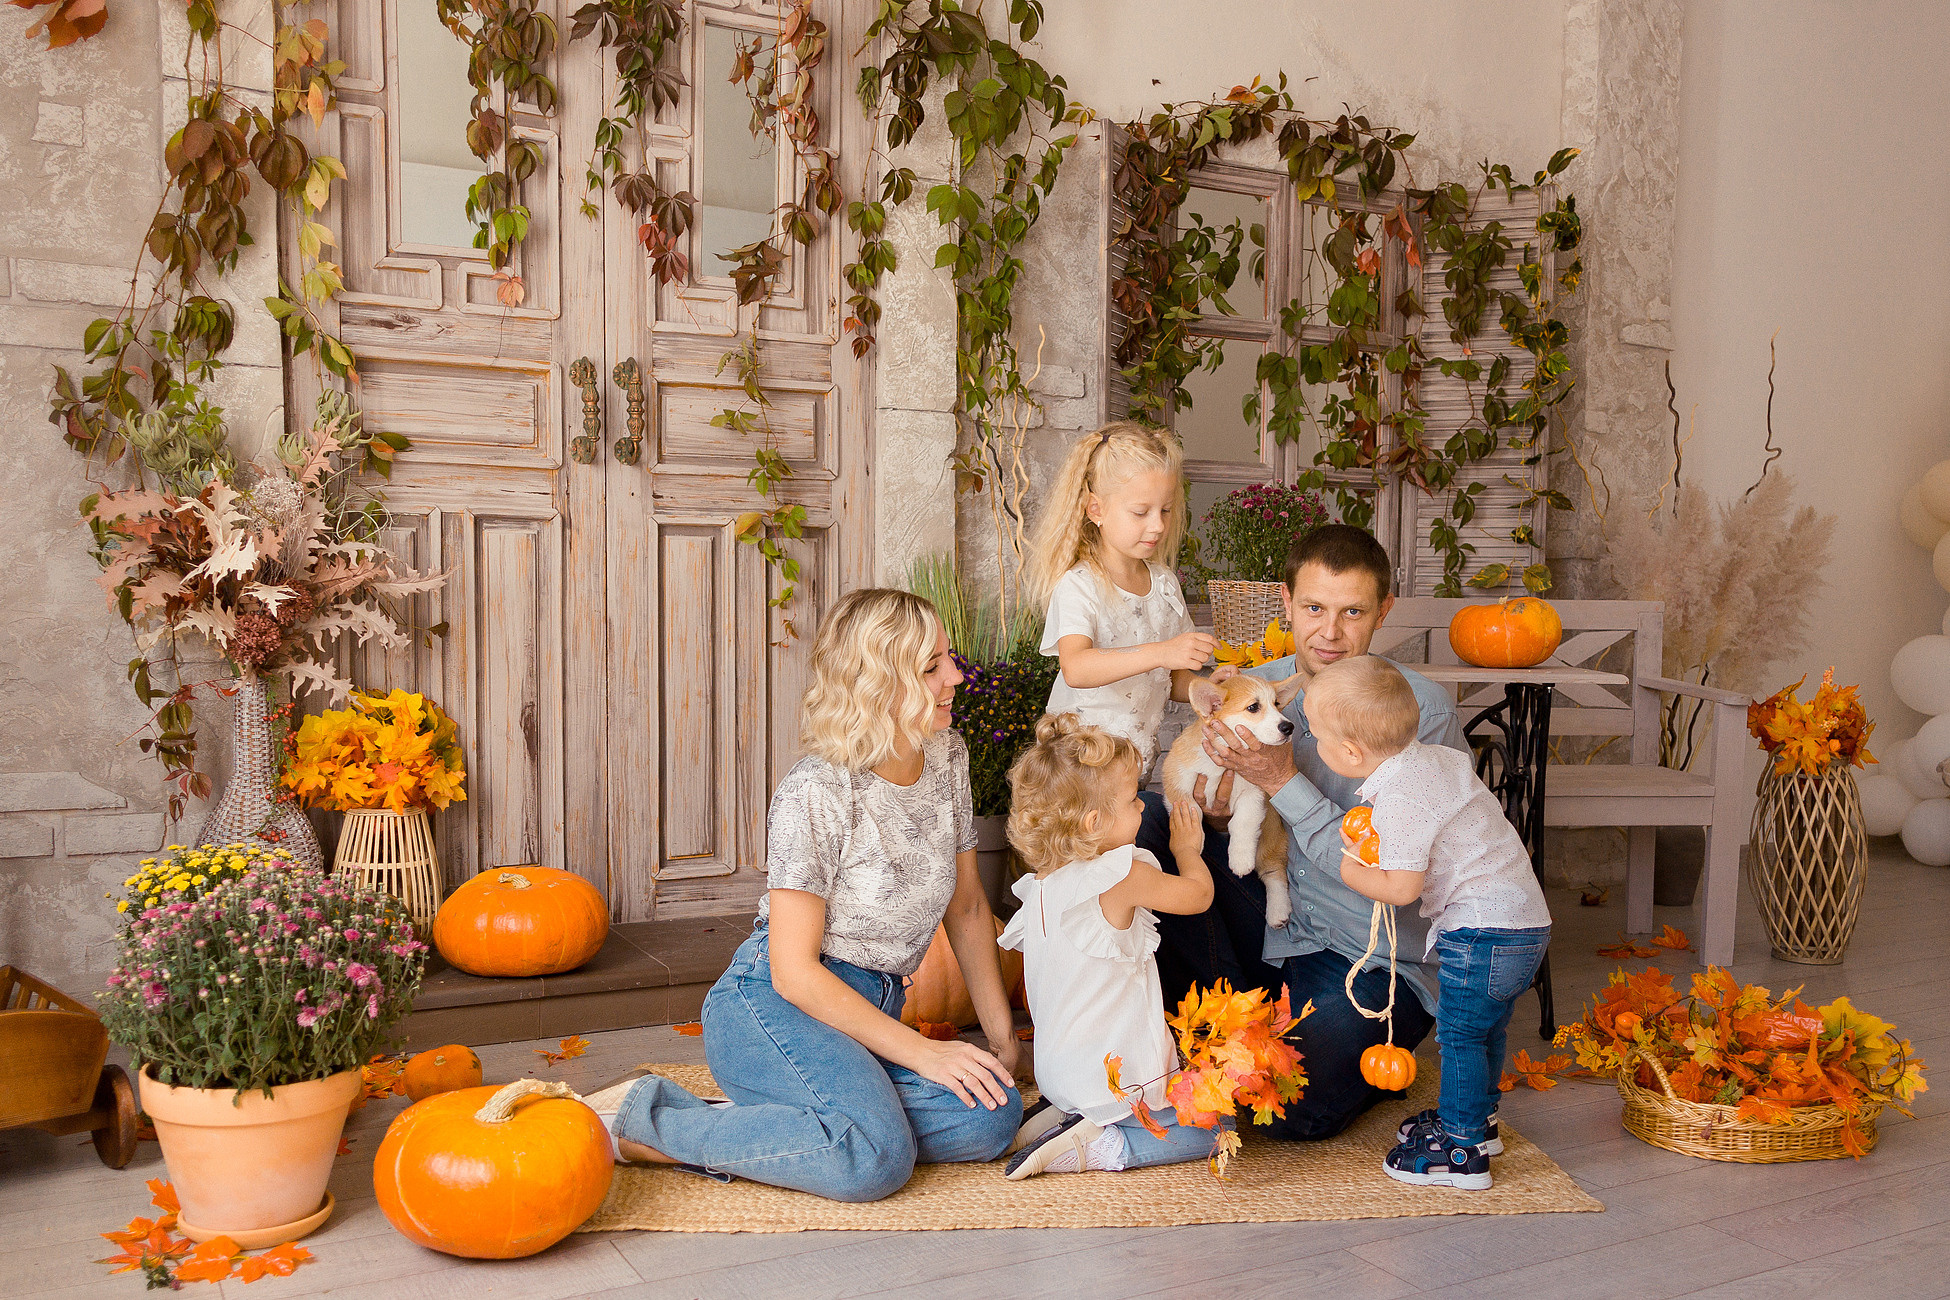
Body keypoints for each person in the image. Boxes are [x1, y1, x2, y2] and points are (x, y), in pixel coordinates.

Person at [594, 589, 1023, 1201]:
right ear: (878, 682)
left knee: (991, 1116)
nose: (955, 676)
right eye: (932, 667)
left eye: (947, 658)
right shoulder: (816, 789)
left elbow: (969, 905)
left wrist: (1002, 1039)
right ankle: (645, 1120)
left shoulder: (947, 755)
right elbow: (793, 973)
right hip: (774, 1007)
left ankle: (801, 1121)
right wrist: (923, 1056)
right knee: (874, 1161)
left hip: (872, 1010)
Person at [1135, 523, 1470, 1141]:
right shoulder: (1253, 691)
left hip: (1367, 950)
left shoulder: (1418, 713)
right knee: (1153, 821)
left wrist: (1281, 780)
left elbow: (1409, 868)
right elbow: (1201, 801)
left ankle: (1285, 1043)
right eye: (1314, 608)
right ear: (1286, 603)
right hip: (1270, 921)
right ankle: (1232, 1025)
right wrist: (1214, 814)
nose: (1330, 632)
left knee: (1292, 1105)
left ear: (1384, 612)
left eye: (1353, 612)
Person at [1312, 654, 1552, 1189]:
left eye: (1318, 737)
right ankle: (1477, 1121)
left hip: (1481, 931)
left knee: (1460, 1036)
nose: (1316, 746)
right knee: (1486, 1029)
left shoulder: (1399, 796)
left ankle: (1461, 1152)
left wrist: (1350, 867)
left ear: (1350, 752)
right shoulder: (1436, 760)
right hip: (1524, 924)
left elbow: (1401, 888)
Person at [994, 715, 1223, 1179]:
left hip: (1059, 1073)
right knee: (1217, 1129)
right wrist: (1187, 850)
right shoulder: (1120, 874)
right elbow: (1198, 897)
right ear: (1094, 822)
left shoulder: (1041, 885)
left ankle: (1059, 1118)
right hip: (1114, 1077)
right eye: (1134, 798)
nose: (1143, 805)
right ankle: (1104, 1144)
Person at [1024, 421, 1233, 772]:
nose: (1158, 525)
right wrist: (1161, 651)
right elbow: (1076, 667)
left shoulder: (1164, 584)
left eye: (1165, 510)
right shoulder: (1080, 585)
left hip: (1133, 766)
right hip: (1081, 767)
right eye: (1141, 512)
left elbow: (1171, 679)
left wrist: (1205, 687)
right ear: (1096, 509)